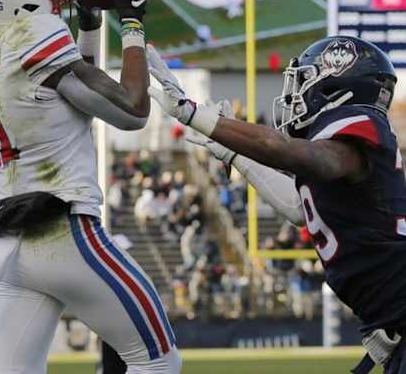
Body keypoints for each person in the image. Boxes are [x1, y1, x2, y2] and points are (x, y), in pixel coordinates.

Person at [0, 0, 180, 374]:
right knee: (158, 360)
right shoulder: (31, 35)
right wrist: (132, 21)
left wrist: (90, 24)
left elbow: (75, 91)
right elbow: (130, 110)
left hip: (10, 246)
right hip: (64, 233)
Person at [147, 36, 406, 374]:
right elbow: (299, 208)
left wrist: (194, 113)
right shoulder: (338, 152)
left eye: (305, 79)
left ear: (335, 84)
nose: (296, 94)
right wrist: (235, 153)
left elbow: (301, 155)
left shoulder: (352, 132)